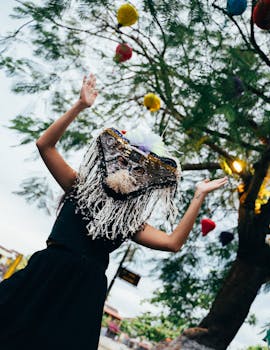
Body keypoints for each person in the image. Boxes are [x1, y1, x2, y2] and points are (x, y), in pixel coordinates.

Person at [0, 73, 228, 350]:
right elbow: (44, 145)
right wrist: (80, 106)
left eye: (139, 166)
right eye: (124, 157)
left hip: (84, 293)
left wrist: (199, 196)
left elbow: (172, 243)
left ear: (147, 177)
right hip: (46, 273)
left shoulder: (130, 221)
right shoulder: (78, 186)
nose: (129, 166)